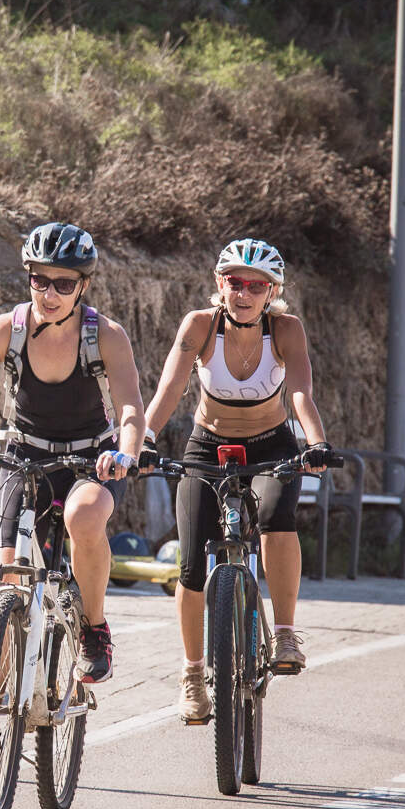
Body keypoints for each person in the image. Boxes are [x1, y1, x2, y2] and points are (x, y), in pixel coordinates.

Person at [0, 221, 145, 771]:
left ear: (84, 287)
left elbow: (130, 410)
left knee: (84, 513)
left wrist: (124, 450)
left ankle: (94, 629)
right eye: (38, 280)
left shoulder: (106, 335)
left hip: (87, 459)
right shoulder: (9, 328)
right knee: (3, 580)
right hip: (23, 456)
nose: (48, 293)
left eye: (62, 284)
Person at [142, 238, 333, 723]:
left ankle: (285, 633)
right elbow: (169, 388)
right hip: (207, 445)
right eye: (234, 282)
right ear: (218, 284)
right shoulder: (200, 327)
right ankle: (191, 676)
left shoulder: (286, 330)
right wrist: (141, 440)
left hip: (273, 445)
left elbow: (301, 394)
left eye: (256, 285)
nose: (244, 292)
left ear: (272, 292)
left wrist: (314, 442)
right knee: (189, 561)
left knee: (275, 517)